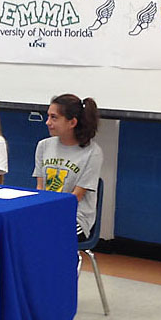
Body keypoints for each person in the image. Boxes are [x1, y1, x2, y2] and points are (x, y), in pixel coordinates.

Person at [33, 94, 103, 241]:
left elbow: (76, 196)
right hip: (46, 211)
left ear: (72, 123)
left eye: (54, 118)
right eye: (48, 116)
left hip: (75, 217)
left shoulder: (92, 152)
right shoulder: (43, 146)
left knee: (45, 234)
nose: (48, 122)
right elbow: (40, 188)